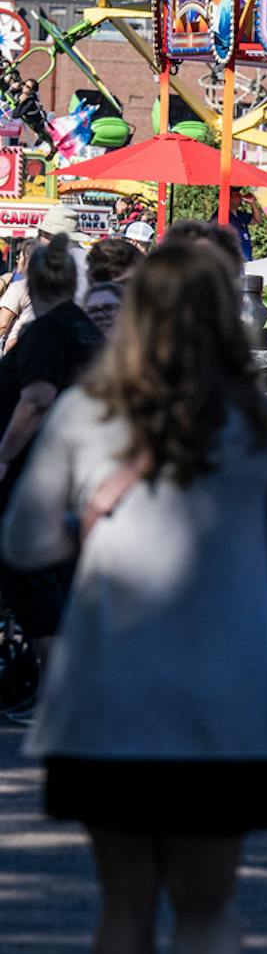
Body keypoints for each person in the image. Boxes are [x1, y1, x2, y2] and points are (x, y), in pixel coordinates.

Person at [2, 236, 267, 954]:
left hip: (111, 687)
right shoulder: (264, 424)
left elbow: (21, 542)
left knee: (125, 903)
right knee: (207, 909)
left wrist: (86, 526)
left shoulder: (88, 412)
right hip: (225, 694)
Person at [0, 234, 104, 673]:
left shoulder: (47, 331)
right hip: (78, 468)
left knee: (28, 573)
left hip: (38, 471)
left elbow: (37, 399)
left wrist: (3, 455)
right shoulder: (84, 326)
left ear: (32, 280)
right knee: (60, 577)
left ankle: (52, 685)